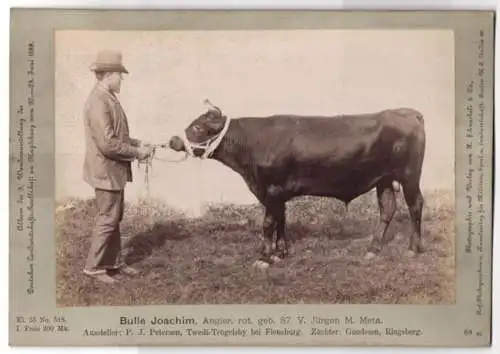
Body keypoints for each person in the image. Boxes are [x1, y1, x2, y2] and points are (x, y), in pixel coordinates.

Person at [82, 50, 153, 284]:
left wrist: (137, 142)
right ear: (109, 75)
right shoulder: (98, 101)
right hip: (106, 171)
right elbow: (107, 143)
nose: (122, 79)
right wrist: (137, 152)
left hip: (112, 171)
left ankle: (113, 262)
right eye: (119, 75)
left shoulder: (107, 97)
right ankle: (93, 267)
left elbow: (117, 135)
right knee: (107, 218)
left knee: (114, 216)